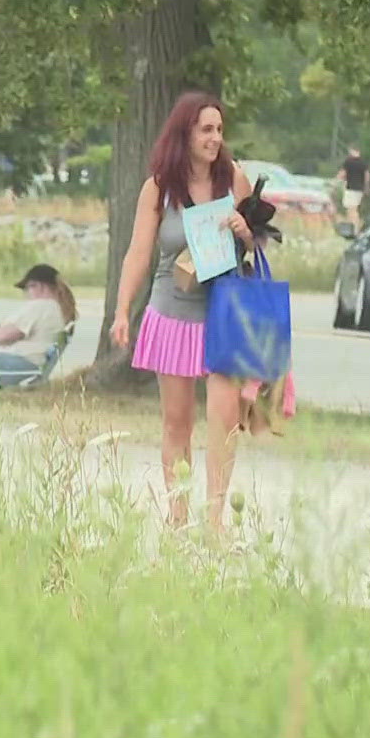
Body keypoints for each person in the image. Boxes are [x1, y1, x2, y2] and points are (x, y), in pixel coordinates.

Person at [108, 91, 257, 531]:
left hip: (223, 311)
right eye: (206, 130)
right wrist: (121, 310)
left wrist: (245, 229)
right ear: (185, 133)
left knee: (225, 419)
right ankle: (177, 516)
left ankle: (214, 521)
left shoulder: (235, 180)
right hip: (172, 310)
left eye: (219, 130)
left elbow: (256, 246)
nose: (215, 138)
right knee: (177, 423)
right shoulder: (159, 187)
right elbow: (138, 251)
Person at [0, 264, 76, 388]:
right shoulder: (56, 309)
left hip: (18, 364)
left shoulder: (40, 306)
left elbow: (4, 337)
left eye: (27, 289)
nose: (26, 294)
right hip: (30, 366)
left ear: (39, 286)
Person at [339, 146, 370, 226]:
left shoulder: (348, 162)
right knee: (355, 208)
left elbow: (343, 174)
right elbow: (367, 176)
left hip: (350, 188)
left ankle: (353, 225)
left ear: (352, 151)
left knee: (351, 209)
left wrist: (336, 181)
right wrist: (366, 187)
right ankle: (355, 225)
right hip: (360, 189)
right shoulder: (363, 163)